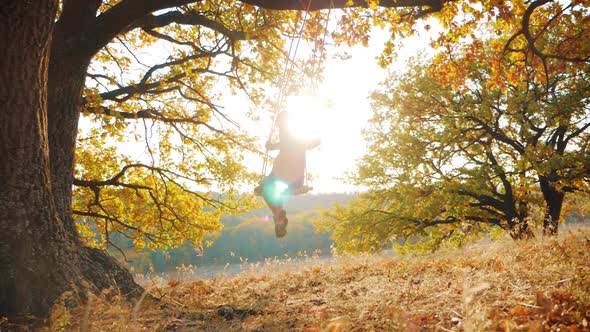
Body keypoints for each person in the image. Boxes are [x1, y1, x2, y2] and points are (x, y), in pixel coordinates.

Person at [259, 111, 320, 237]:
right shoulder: (295, 138)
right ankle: (278, 215)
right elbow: (315, 141)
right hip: (290, 174)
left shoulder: (292, 137)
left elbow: (314, 141)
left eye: (281, 125)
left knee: (268, 190)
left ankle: (278, 215)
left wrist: (272, 146)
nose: (280, 128)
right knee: (269, 191)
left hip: (284, 172)